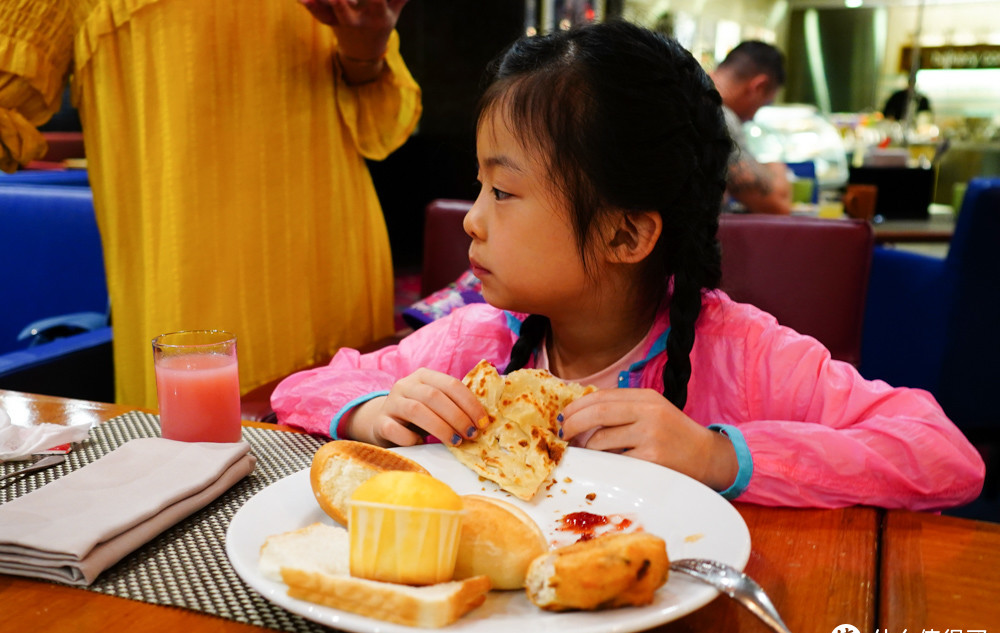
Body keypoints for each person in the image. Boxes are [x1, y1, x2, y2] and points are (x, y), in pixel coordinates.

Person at [272, 21, 984, 510]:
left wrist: (717, 456)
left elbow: (942, 454)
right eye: (479, 185)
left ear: (625, 233)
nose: (472, 217)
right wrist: (369, 409)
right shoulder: (478, 340)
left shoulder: (742, 354)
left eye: (504, 190)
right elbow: (304, 387)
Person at [0, 0, 421, 407]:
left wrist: (366, 47)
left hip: (335, 263)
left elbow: (382, 129)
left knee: (359, 457)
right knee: (196, 464)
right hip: (191, 293)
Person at [709, 41, 793, 215]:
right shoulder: (719, 115)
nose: (754, 116)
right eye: (765, 103)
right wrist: (776, 166)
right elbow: (777, 205)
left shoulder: (686, 92)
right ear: (758, 86)